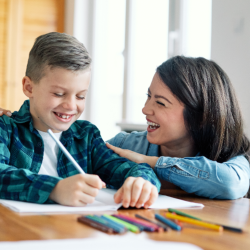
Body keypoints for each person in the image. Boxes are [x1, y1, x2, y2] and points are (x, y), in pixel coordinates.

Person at [0, 32, 160, 208]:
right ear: (29, 87)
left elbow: (128, 168)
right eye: (59, 94)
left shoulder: (86, 136)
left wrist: (142, 182)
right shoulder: (6, 128)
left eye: (81, 96)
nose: (70, 106)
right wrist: (55, 189)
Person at [106, 56, 250, 199]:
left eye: (161, 103)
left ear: (199, 118)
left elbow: (231, 185)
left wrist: (150, 162)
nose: (145, 109)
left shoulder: (228, 159)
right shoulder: (124, 145)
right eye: (148, 96)